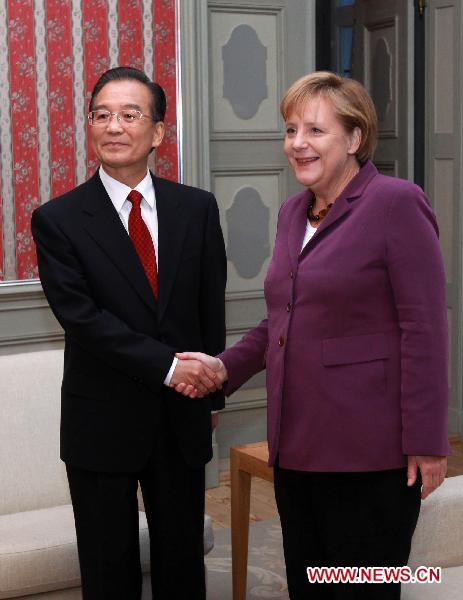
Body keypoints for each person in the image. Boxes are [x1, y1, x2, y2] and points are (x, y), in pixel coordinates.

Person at [175, 71, 451, 599]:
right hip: (298, 447)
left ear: (354, 139)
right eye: (290, 129)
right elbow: (280, 320)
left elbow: (425, 329)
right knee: (309, 585)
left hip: (372, 453)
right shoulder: (291, 214)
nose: (298, 143)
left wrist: (426, 441)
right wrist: (223, 368)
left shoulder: (396, 203)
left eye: (316, 130)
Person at [31, 66, 226, 600]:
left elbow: (209, 308)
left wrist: (211, 392)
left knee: (182, 561)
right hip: (103, 419)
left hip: (182, 415)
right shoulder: (58, 219)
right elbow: (84, 320)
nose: (113, 126)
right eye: (101, 115)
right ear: (90, 126)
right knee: (108, 567)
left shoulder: (197, 208)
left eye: (129, 114)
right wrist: (170, 367)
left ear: (158, 132)